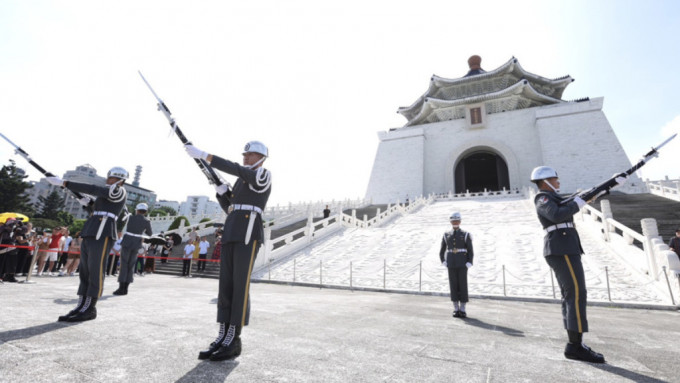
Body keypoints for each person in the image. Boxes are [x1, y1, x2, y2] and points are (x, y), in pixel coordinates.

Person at [185, 140, 271, 361]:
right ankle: (222, 336)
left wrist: (206, 155)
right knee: (226, 286)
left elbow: (237, 169)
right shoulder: (241, 181)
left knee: (240, 287)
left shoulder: (263, 174)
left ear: (260, 157)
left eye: (250, 154)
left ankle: (234, 339)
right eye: (245, 154)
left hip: (248, 233)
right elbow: (231, 207)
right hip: (232, 230)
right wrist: (222, 192)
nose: (245, 157)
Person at [530, 166, 625, 363]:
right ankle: (575, 345)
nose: (558, 182)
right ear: (545, 181)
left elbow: (578, 201)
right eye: (555, 179)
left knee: (573, 294)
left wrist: (610, 184)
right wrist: (579, 202)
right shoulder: (543, 198)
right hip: (561, 248)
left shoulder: (556, 197)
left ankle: (575, 343)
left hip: (566, 247)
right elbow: (556, 215)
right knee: (575, 293)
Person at [46, 166, 128, 322]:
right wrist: (87, 201)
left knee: (95, 271)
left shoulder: (118, 190)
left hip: (102, 232)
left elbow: (94, 189)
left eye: (110, 178)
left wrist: (65, 183)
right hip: (91, 230)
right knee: (85, 271)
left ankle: (90, 308)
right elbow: (94, 206)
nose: (107, 180)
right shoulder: (107, 194)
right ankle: (81, 305)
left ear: (119, 180)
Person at [439, 212, 474, 318]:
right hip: (451, 263)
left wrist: (469, 261)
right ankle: (455, 307)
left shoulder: (466, 234)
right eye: (453, 221)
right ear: (450, 222)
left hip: (462, 263)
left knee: (463, 284)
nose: (455, 222)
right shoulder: (446, 235)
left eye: (457, 220)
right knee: (453, 285)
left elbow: (470, 250)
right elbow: (442, 250)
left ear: (460, 222)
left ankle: (463, 308)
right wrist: (443, 260)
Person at [114, 203, 153, 295]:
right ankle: (126, 289)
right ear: (145, 211)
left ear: (137, 210)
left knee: (124, 264)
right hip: (136, 243)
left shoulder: (130, 217)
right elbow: (150, 233)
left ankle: (121, 288)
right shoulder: (147, 221)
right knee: (131, 265)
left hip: (127, 242)